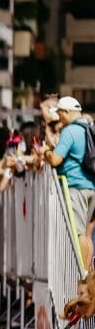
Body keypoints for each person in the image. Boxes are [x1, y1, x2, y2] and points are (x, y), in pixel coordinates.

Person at [44, 96, 95, 231]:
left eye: (59, 113)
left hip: (75, 188)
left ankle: (83, 254)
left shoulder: (70, 130)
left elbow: (55, 160)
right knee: (86, 234)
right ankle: (88, 254)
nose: (59, 117)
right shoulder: (90, 127)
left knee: (77, 235)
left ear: (66, 111)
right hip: (91, 187)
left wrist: (46, 153)